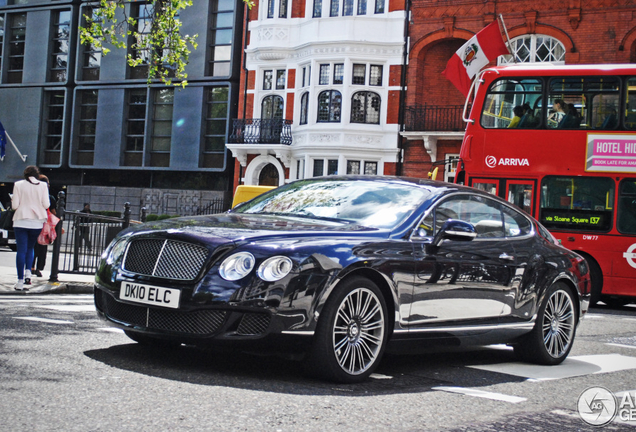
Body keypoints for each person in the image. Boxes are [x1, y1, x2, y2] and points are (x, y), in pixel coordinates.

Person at [11, 165, 50, 291]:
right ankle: (28, 273)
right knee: (30, 247)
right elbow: (46, 204)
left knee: (21, 250)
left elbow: (15, 205)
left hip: (21, 220)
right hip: (37, 221)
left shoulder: (18, 185)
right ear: (37, 174)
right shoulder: (43, 185)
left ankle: (20, 281)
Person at [31, 175, 56, 278]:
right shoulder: (50, 198)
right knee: (42, 247)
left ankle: (30, 267)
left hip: (32, 223)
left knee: (32, 246)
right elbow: (53, 212)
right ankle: (38, 268)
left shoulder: (32, 195)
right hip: (44, 225)